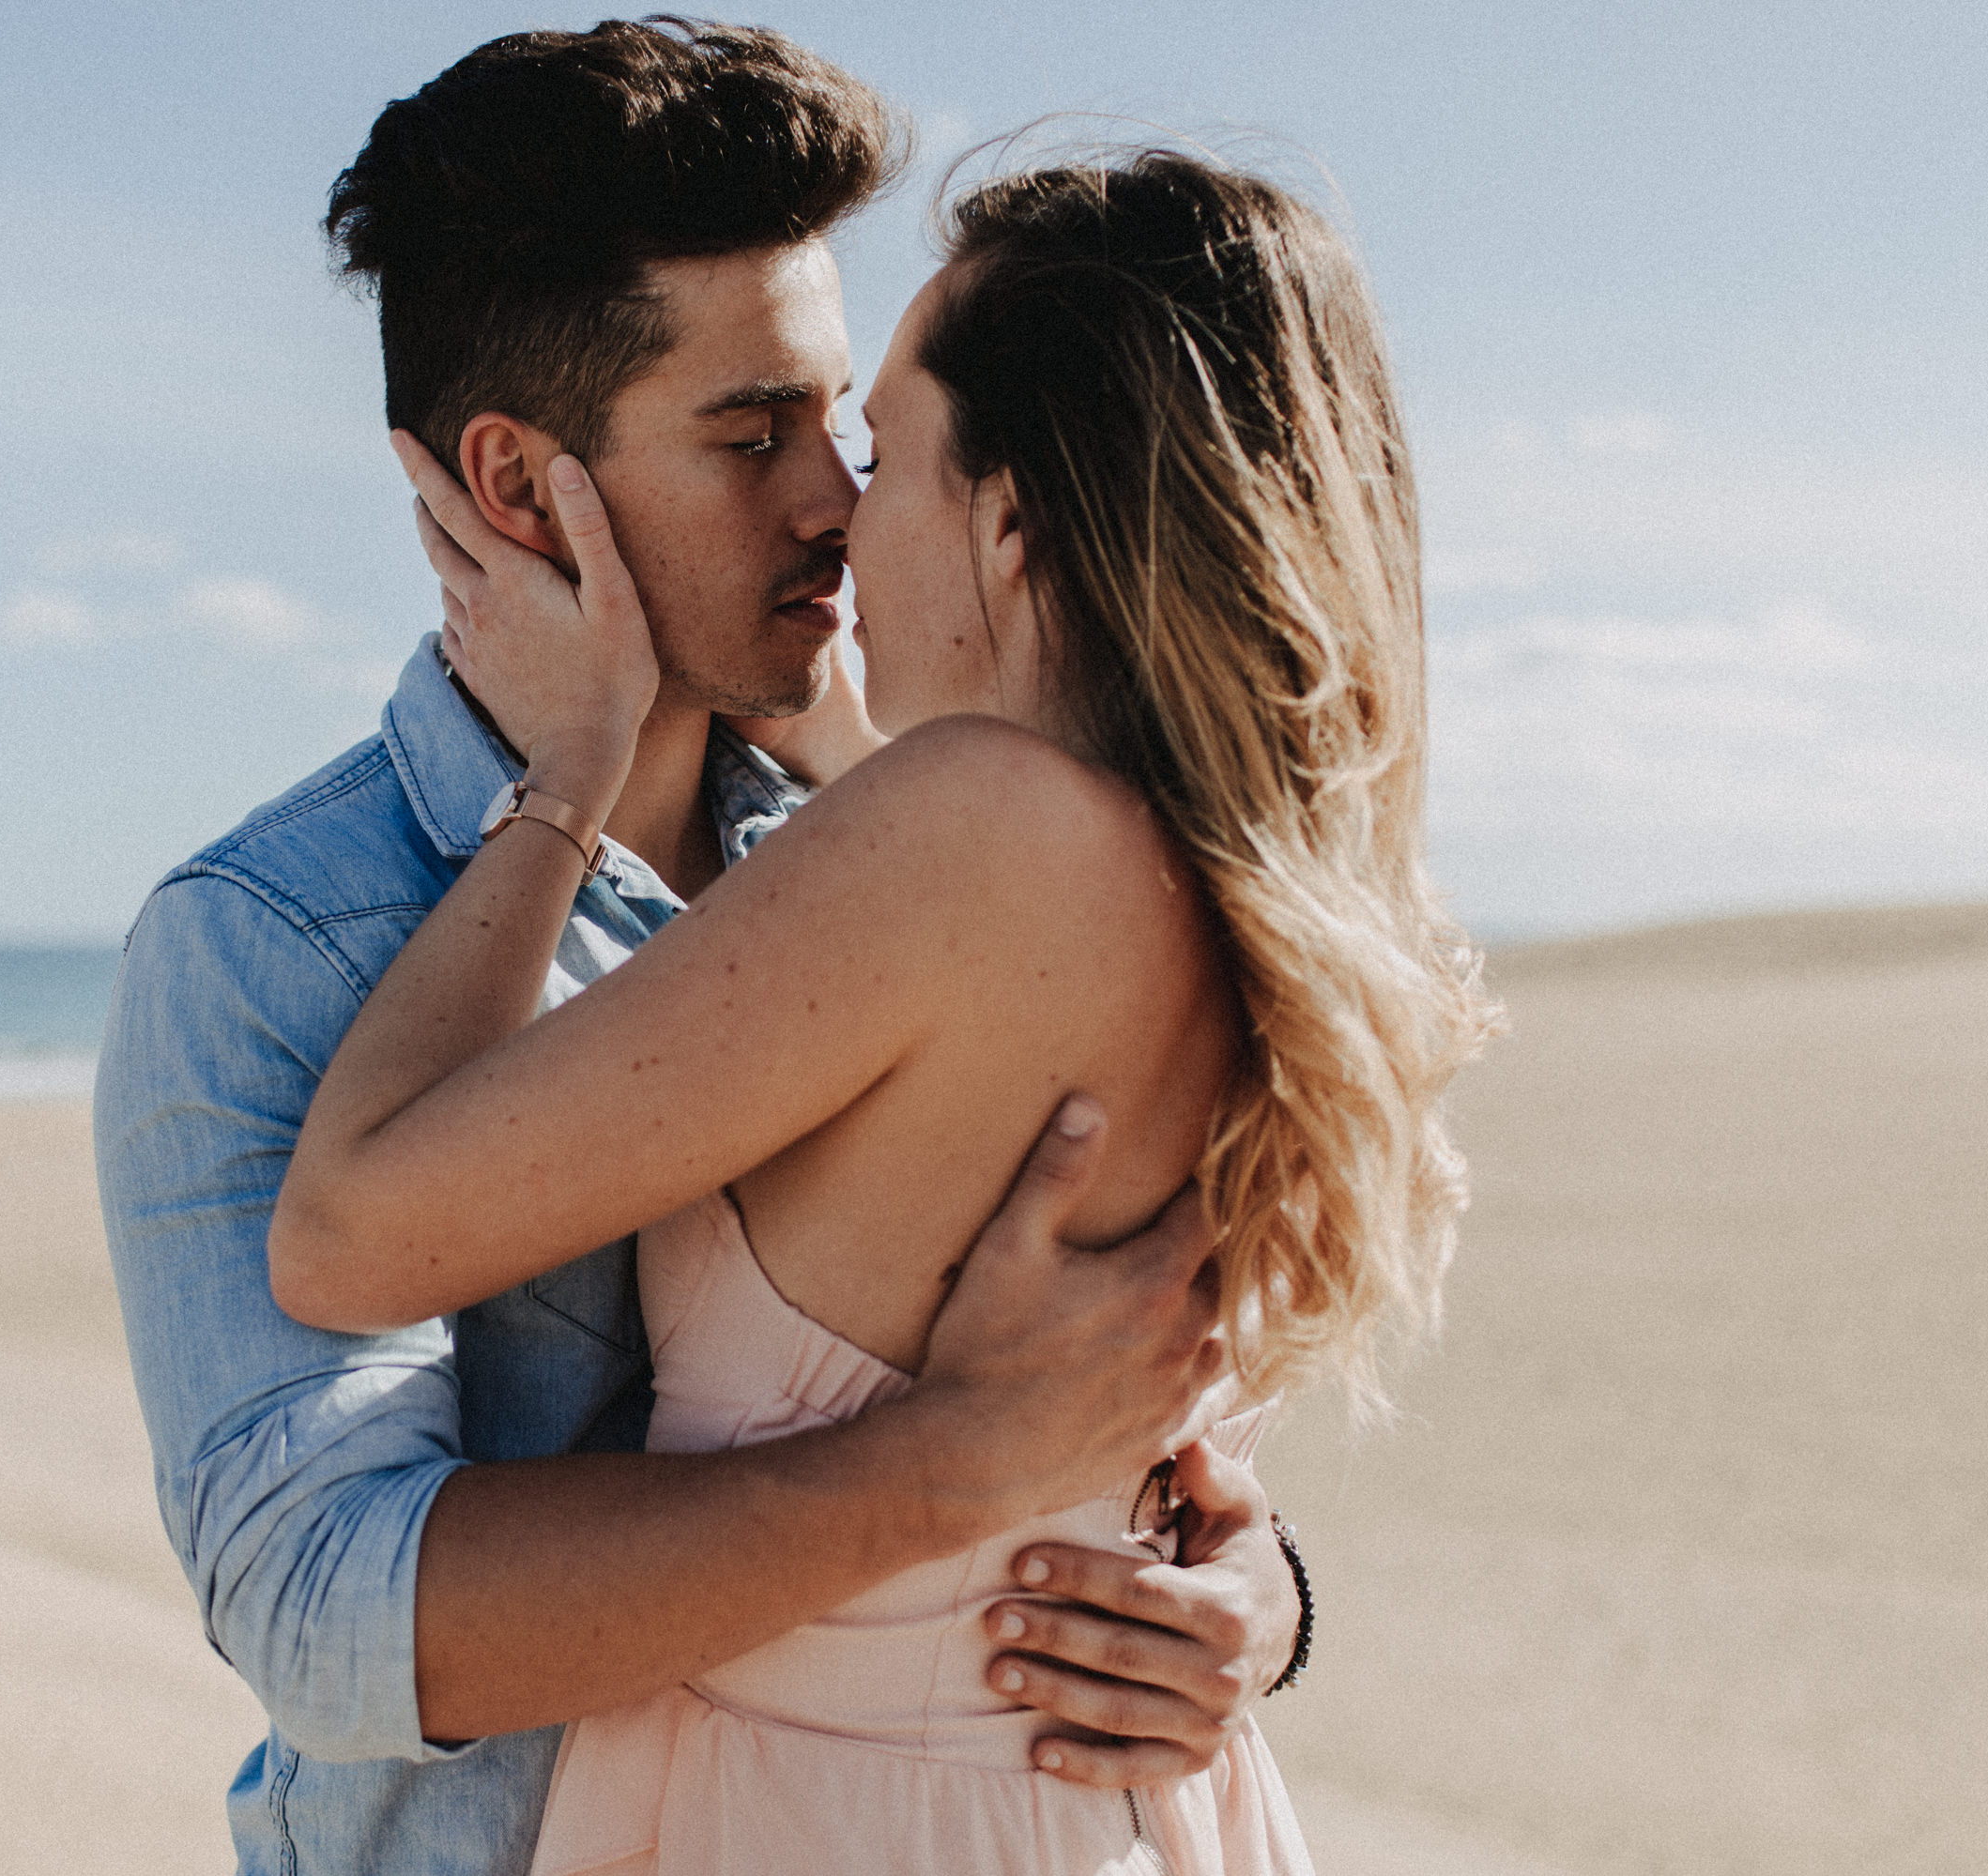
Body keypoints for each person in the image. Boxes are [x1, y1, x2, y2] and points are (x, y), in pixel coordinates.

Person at [95, 22, 1308, 1876]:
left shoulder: (889, 850)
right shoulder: (270, 943)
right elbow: (337, 1619)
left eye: (837, 422)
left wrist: (1240, 1594)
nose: (833, 495)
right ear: (518, 496)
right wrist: (942, 1472)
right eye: (751, 438)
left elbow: (1124, 1371)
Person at [269, 140, 1494, 1872]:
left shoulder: (973, 835)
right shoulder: (1239, 882)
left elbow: (344, 1234)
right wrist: (1265, 1589)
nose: (840, 517)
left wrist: (570, 767)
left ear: (1011, 525)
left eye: (883, 451)